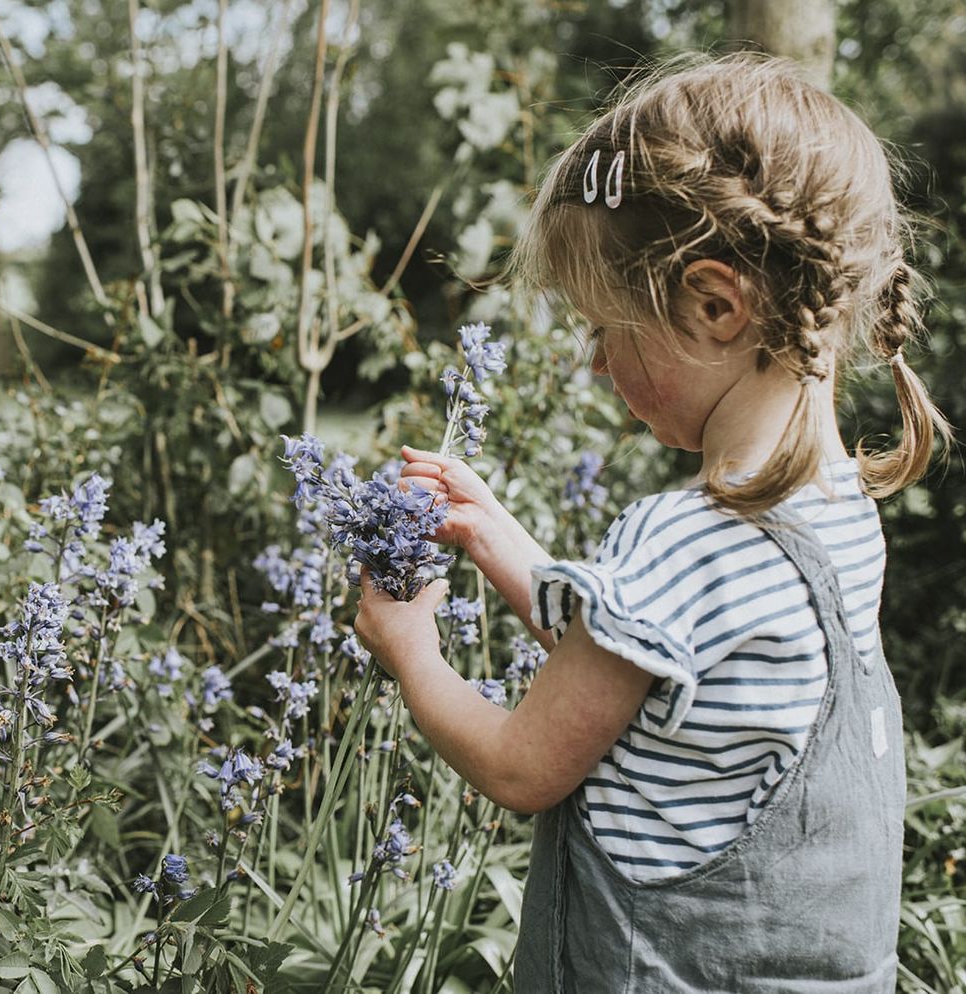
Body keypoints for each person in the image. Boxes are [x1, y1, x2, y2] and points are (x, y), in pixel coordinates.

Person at [352, 53, 952, 993]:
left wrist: (411, 652)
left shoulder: (684, 539)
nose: (596, 364)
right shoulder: (835, 512)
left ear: (715, 305)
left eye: (603, 329)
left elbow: (521, 767)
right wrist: (496, 534)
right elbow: (655, 671)